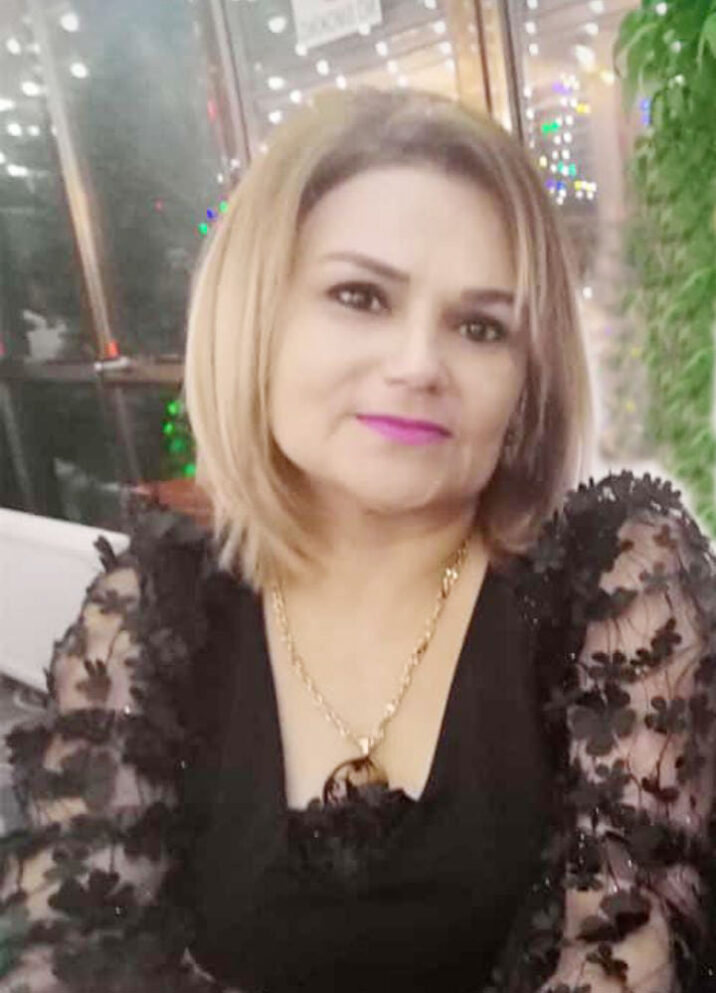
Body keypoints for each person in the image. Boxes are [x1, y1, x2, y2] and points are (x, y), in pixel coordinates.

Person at [2, 86, 716, 993]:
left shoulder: (614, 584)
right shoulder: (153, 616)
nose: (419, 364)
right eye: (360, 296)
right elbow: (70, 957)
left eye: (480, 326)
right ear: (258, 319)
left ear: (526, 379)